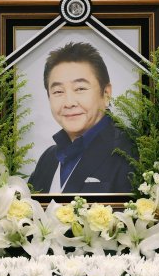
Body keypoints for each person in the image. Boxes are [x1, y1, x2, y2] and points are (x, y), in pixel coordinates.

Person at [28, 42, 135, 194]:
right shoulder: (48, 159)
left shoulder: (130, 151)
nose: (69, 103)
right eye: (58, 91)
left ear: (106, 94)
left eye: (80, 88)